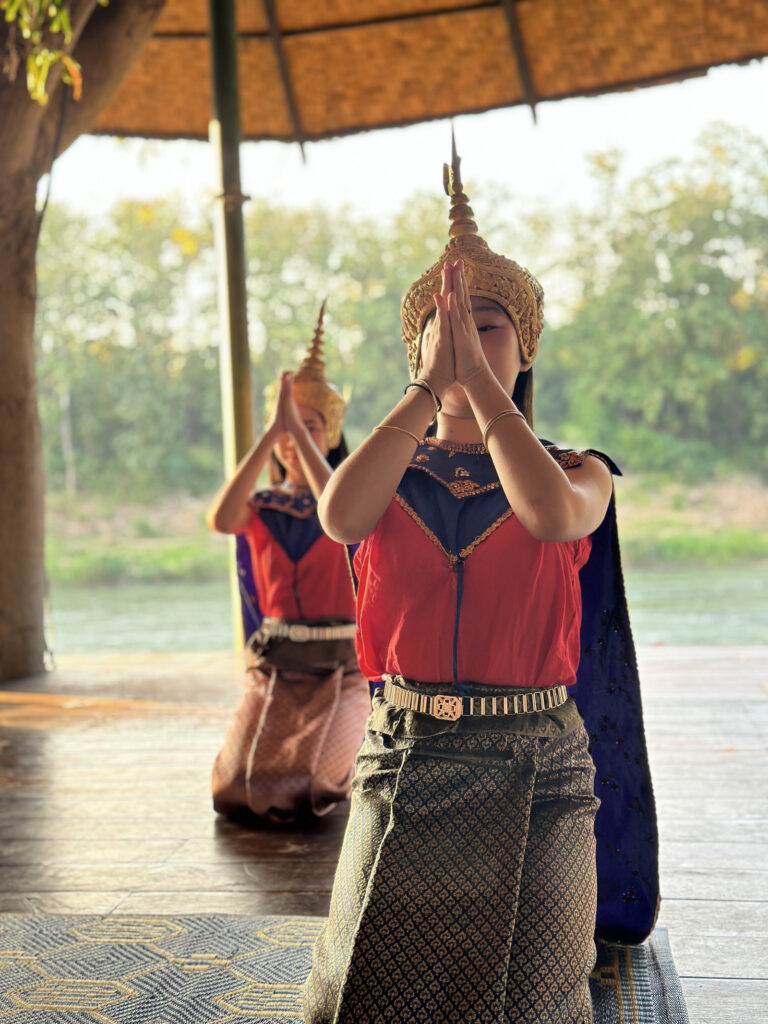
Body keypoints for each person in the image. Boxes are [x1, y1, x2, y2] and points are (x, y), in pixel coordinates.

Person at [301, 145, 658, 1023]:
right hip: (404, 751)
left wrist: (488, 398)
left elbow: (548, 517)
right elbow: (340, 517)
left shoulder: (577, 470)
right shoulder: (391, 470)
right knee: (371, 990)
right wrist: (431, 386)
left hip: (536, 760)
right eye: (443, 326)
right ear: (413, 347)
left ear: (524, 348)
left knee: (531, 996)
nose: (463, 340)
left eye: (488, 326)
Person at [207, 304, 371, 824]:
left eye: (312, 426)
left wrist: (295, 434)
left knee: (309, 789)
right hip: (276, 665)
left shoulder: (352, 501)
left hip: (342, 669)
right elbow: (221, 518)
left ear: (330, 433)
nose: (295, 437)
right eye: (287, 428)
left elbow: (336, 514)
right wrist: (272, 434)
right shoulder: (263, 508)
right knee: (233, 789)